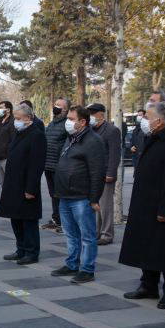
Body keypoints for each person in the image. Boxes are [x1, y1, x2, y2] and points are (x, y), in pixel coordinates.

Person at [119, 102, 165, 309]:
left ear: (159, 120)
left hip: (163, 207)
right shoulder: (152, 138)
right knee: (146, 247)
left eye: (148, 117)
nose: (144, 121)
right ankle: (148, 285)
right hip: (145, 204)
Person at [49, 106, 106, 283]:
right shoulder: (71, 138)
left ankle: (87, 269)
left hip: (81, 197)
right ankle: (72, 263)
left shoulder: (93, 141)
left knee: (87, 236)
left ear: (82, 122)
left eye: (71, 119)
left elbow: (97, 172)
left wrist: (94, 198)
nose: (68, 122)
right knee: (71, 234)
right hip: (65, 195)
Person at [0, 103, 46, 264]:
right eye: (15, 118)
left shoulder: (36, 135)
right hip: (14, 184)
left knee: (28, 220)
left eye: (19, 118)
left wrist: (31, 188)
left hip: (26, 185)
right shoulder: (19, 133)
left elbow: (36, 164)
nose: (16, 121)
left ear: (28, 118)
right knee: (16, 218)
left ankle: (31, 252)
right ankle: (21, 249)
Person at [87, 103, 121, 246]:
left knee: (105, 206)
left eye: (93, 114)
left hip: (106, 174)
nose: (90, 116)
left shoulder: (112, 130)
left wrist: (111, 173)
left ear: (101, 114)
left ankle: (107, 234)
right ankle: (97, 232)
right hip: (93, 173)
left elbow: (115, 154)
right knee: (95, 205)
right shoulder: (90, 129)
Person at [41, 97, 70, 232]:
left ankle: (64, 222)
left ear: (66, 110)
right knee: (53, 194)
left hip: (59, 166)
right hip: (48, 165)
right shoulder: (52, 123)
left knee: (61, 194)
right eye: (56, 104)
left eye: (59, 105)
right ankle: (56, 219)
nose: (56, 106)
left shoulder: (67, 124)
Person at [0, 100, 16, 214]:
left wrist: (9, 154)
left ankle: (12, 207)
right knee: (3, 184)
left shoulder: (12, 122)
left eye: (1, 107)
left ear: (8, 109)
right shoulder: (0, 121)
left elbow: (13, 140)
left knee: (10, 184)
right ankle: (4, 207)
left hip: (7, 158)